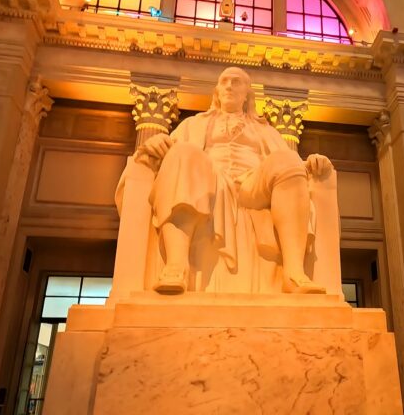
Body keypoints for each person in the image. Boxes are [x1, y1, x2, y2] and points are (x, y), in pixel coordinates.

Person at [138, 67, 332, 295]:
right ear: (217, 92)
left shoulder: (265, 130)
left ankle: (294, 273)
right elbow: (166, 156)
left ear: (247, 94)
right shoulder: (194, 124)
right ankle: (176, 265)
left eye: (236, 82)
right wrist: (155, 142)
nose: (229, 86)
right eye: (224, 82)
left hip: (253, 185)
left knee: (288, 158)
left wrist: (310, 164)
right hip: (208, 180)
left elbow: (290, 166)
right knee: (183, 153)